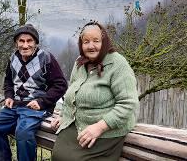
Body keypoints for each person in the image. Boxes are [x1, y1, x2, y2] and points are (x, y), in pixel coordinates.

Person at [51, 21, 139, 161]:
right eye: (86, 42)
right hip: (79, 123)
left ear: (104, 42)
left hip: (107, 129)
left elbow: (129, 103)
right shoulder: (79, 63)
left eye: (96, 41)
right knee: (58, 155)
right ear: (81, 44)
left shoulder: (118, 64)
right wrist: (64, 115)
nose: (91, 46)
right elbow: (72, 93)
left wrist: (99, 127)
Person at [0, 24, 68, 161]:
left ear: (36, 43)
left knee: (23, 133)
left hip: (37, 107)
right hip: (14, 106)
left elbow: (61, 85)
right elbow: (8, 80)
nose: (25, 45)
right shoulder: (13, 58)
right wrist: (8, 96)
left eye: (29, 41)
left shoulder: (46, 58)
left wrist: (42, 102)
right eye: (21, 41)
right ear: (16, 43)